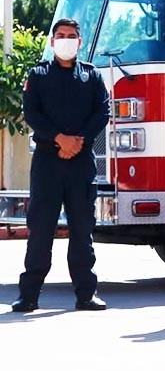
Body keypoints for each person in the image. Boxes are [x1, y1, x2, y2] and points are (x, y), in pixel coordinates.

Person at [12, 18, 110, 313]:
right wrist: (58, 138)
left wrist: (79, 141)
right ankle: (29, 296)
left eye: (72, 36)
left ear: (80, 42)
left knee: (83, 229)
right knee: (41, 229)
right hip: (47, 162)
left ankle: (86, 295)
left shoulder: (92, 76)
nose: (66, 40)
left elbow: (102, 111)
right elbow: (32, 112)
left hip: (81, 162)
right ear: (53, 41)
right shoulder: (39, 75)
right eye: (61, 35)